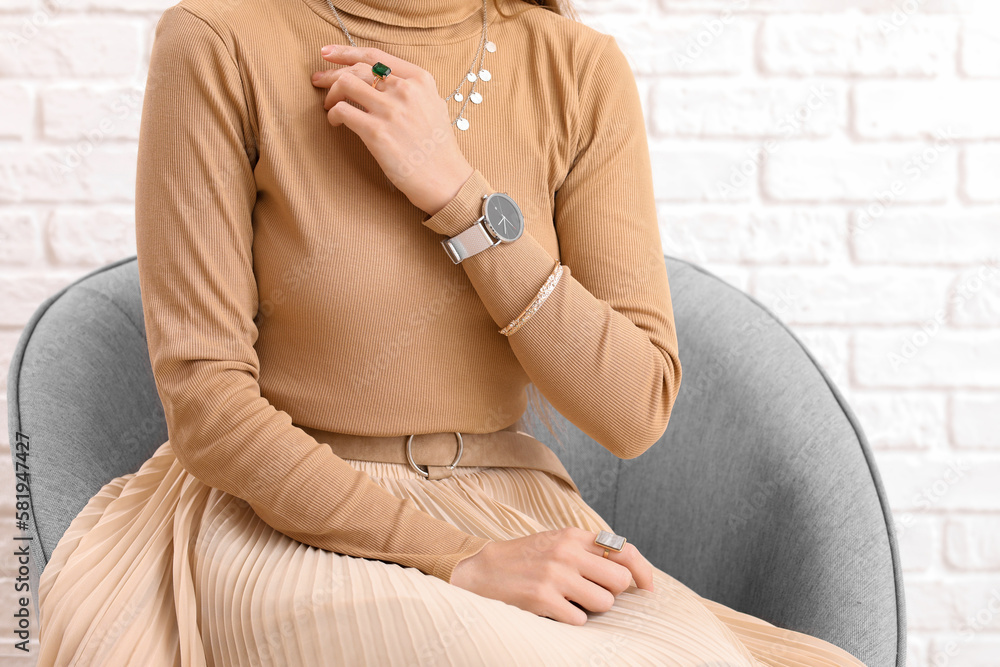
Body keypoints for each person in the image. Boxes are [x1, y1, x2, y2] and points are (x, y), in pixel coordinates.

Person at [35, 0, 870, 664]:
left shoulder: (578, 70)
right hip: (290, 518)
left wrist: (461, 199)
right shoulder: (219, 39)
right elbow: (206, 404)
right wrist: (456, 557)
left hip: (515, 506)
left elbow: (634, 407)